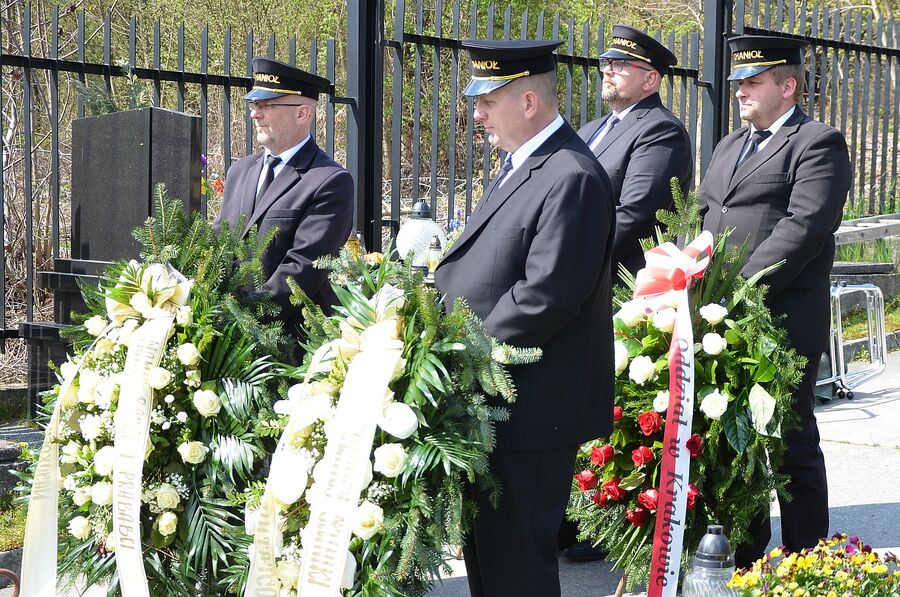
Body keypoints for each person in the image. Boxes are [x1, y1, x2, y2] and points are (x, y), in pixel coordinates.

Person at [434, 39, 616, 597]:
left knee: (518, 569)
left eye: (488, 101)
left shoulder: (572, 175)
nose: (478, 113)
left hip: (530, 406)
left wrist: (456, 352)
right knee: (489, 562)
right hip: (496, 401)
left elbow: (545, 295)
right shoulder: (526, 166)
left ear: (530, 101)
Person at [698, 35, 851, 566]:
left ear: (788, 86)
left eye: (753, 81)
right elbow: (704, 214)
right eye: (739, 81)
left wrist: (736, 288)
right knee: (732, 433)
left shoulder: (818, 143)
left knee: (789, 438)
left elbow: (803, 228)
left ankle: (805, 554)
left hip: (779, 316)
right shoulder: (728, 145)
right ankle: (744, 546)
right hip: (718, 316)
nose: (740, 90)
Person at [214, 58, 354, 333]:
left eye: (266, 105)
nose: (255, 114)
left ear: (302, 113)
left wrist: (239, 317)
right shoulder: (240, 171)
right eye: (255, 105)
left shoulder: (329, 180)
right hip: (226, 337)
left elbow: (301, 271)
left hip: (287, 344)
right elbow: (218, 246)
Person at [577, 24, 693, 281]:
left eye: (619, 65)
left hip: (615, 281)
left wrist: (573, 263)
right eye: (607, 62)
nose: (608, 71)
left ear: (650, 79)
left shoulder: (661, 130)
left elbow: (634, 215)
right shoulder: (590, 131)